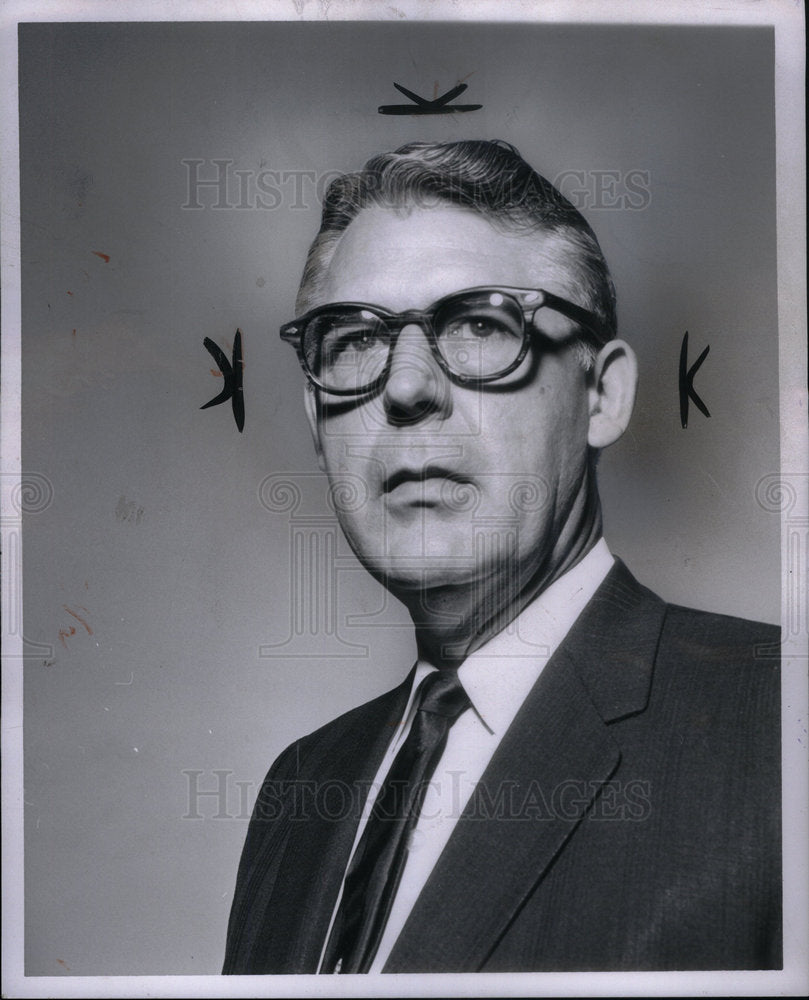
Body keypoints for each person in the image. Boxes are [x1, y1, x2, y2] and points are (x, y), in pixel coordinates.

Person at [223, 140, 781, 974]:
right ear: (315, 416)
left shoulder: (777, 728)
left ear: (602, 394)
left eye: (482, 324)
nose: (406, 388)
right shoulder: (300, 788)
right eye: (354, 342)